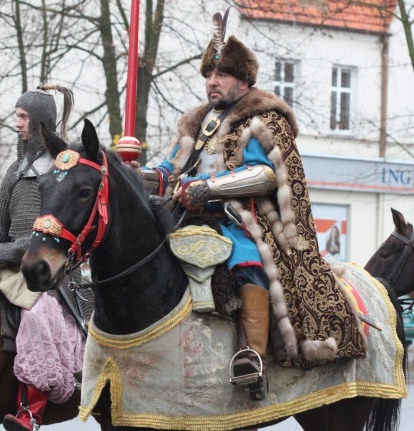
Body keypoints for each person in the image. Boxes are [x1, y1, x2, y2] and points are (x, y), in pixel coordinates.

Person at [138, 9, 365, 398]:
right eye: (209, 75)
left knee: (247, 263)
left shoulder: (260, 121)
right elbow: (169, 168)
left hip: (237, 218)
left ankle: (251, 356)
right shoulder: (196, 123)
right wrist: (127, 174)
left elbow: (263, 175)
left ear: (242, 81)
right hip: (183, 214)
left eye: (220, 75)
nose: (212, 82)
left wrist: (208, 188)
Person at [0, 85, 88, 431]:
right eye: (17, 115)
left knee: (38, 316)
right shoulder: (15, 170)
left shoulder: (60, 171)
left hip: (47, 270)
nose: (16, 122)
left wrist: (7, 251)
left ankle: (29, 411)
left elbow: (46, 234)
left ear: (39, 123)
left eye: (22, 116)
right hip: (7, 264)